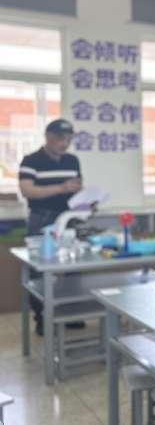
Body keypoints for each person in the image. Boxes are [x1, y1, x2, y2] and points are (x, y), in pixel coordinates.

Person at [18, 119, 83, 336]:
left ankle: (72, 313)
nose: (64, 144)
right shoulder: (31, 160)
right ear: (48, 137)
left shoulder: (72, 160)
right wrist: (61, 187)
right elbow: (28, 190)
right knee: (39, 269)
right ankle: (42, 317)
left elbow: (76, 188)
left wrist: (86, 201)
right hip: (41, 219)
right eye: (60, 139)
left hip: (68, 219)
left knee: (74, 267)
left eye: (69, 139)